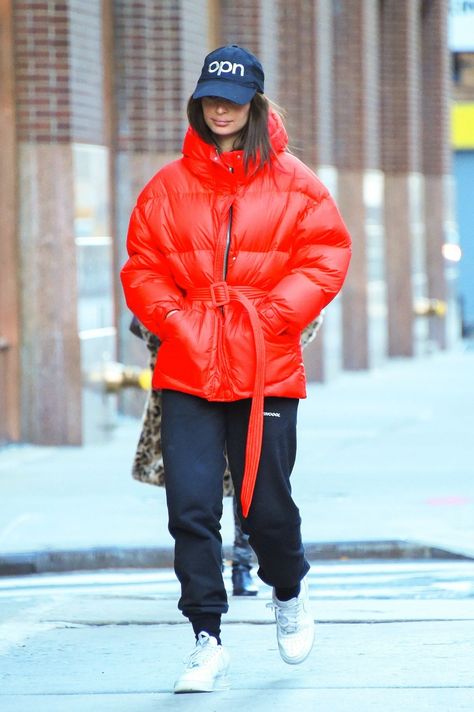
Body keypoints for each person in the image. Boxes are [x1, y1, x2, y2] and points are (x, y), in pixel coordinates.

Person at [121, 44, 351, 693]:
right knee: (190, 508)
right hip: (188, 365)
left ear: (253, 101)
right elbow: (142, 267)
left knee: (265, 506)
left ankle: (288, 589)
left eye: (232, 97)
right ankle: (206, 638)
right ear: (198, 103)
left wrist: (278, 312)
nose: (220, 108)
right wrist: (179, 322)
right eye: (209, 98)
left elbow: (329, 251)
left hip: (264, 364)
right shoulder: (168, 186)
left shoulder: (296, 182)